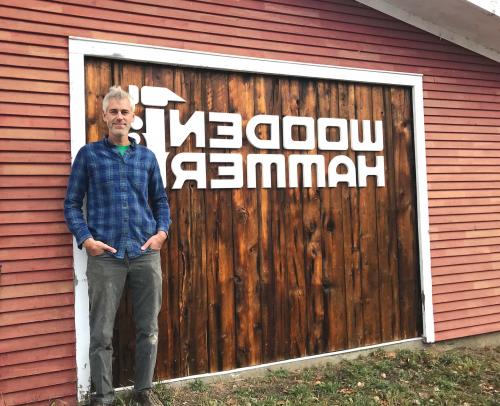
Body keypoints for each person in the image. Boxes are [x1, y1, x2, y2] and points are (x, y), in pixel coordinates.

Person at [64, 86, 170, 406]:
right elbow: (71, 204)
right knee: (101, 334)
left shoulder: (147, 158)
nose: (119, 117)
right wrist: (86, 239)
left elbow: (160, 201)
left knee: (147, 328)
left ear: (133, 116)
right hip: (105, 257)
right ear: (104, 116)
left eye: (125, 111)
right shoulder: (89, 156)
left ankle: (143, 392)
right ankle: (103, 396)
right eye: (114, 111)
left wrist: (162, 233)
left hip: (144, 254)